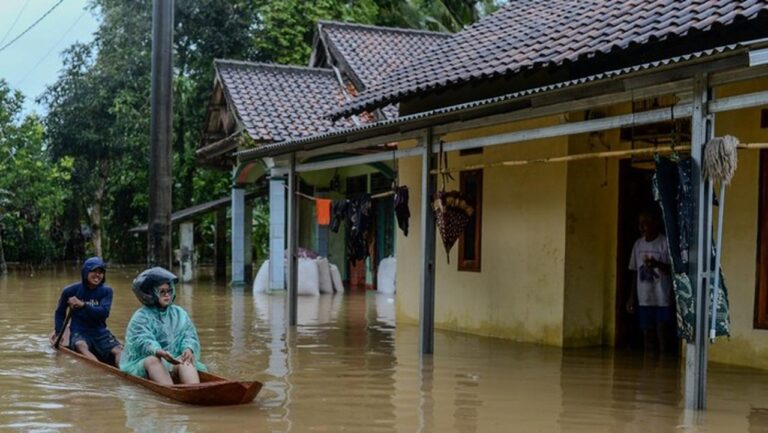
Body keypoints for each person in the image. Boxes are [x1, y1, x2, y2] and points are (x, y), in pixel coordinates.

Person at [119, 267, 206, 385]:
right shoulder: (140, 317)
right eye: (162, 292)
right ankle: (170, 390)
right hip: (147, 362)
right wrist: (158, 351)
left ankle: (195, 390)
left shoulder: (179, 313)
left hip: (173, 360)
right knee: (153, 360)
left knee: (185, 361)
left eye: (169, 291)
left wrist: (188, 348)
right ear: (151, 294)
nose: (167, 295)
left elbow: (189, 334)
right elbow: (142, 340)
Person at [51, 257, 123, 366]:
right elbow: (59, 313)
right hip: (79, 332)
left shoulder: (107, 291)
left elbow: (104, 313)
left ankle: (124, 370)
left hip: (100, 332)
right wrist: (58, 333)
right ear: (85, 272)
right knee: (81, 346)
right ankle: (99, 370)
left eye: (100, 272)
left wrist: (83, 305)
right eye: (94, 271)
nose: (97, 275)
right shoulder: (70, 291)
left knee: (119, 350)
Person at [626, 210, 674, 354]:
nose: (641, 227)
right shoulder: (638, 245)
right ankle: (650, 370)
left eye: (645, 223)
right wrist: (631, 297)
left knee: (663, 334)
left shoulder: (664, 243)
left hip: (662, 298)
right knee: (648, 335)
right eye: (640, 223)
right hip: (645, 298)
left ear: (655, 223)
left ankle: (663, 368)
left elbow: (673, 270)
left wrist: (657, 264)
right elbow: (634, 271)